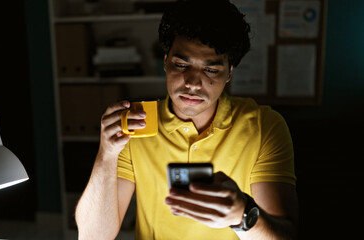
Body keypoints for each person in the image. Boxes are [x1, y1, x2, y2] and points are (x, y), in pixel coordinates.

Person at [75, 0, 298, 239]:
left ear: (229, 72)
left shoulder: (263, 126)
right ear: (165, 62)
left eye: (211, 70)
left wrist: (242, 216)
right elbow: (92, 236)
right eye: (181, 65)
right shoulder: (136, 125)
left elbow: (285, 235)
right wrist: (106, 154)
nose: (192, 83)